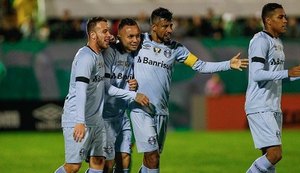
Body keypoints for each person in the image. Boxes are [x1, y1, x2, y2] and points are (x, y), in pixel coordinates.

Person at [129, 7, 248, 173]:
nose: (170, 30)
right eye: (166, 26)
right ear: (154, 27)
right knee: (152, 156)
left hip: (161, 111)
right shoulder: (138, 41)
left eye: (171, 25)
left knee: (151, 159)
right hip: (141, 109)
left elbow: (200, 65)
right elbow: (118, 58)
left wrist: (228, 64)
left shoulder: (176, 48)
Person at [54, 17, 149, 173]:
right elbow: (80, 89)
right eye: (104, 31)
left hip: (97, 120)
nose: (108, 34)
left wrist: (133, 93)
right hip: (77, 118)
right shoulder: (85, 57)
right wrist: (79, 121)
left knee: (99, 161)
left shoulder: (99, 55)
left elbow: (108, 88)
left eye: (109, 31)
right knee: (73, 166)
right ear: (92, 35)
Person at [245, 3, 300, 173]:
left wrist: (293, 75)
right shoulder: (260, 41)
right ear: (268, 21)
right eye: (280, 17)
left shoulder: (277, 42)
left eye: (285, 17)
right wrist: (287, 73)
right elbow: (257, 74)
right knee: (275, 154)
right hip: (260, 105)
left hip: (273, 105)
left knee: (270, 160)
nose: (285, 20)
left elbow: (276, 77)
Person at [102, 18, 141, 173]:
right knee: (108, 164)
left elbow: (128, 80)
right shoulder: (109, 52)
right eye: (130, 37)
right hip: (104, 116)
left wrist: (134, 86)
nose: (135, 40)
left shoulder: (134, 55)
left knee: (125, 157)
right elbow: (107, 88)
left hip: (121, 114)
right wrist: (133, 95)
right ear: (119, 37)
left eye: (137, 36)